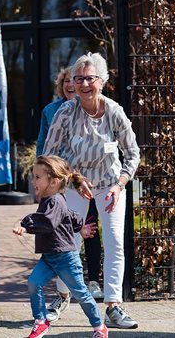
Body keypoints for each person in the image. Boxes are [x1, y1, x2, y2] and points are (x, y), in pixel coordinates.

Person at [43, 52, 140, 329]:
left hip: (110, 184)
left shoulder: (114, 111)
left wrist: (120, 185)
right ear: (72, 82)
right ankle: (62, 297)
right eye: (79, 79)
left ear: (102, 81)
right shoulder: (65, 112)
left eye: (90, 79)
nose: (84, 85)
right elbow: (51, 155)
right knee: (69, 242)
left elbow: (132, 153)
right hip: (76, 184)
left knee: (114, 242)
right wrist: (74, 178)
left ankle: (114, 306)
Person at [13, 155, 107, 338]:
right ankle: (41, 322)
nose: (33, 181)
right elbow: (69, 216)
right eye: (34, 176)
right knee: (34, 283)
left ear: (54, 181)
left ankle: (99, 327)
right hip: (49, 257)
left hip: (65, 258)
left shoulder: (55, 200)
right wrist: (80, 227)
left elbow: (48, 222)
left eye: (38, 177)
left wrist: (25, 225)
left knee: (81, 294)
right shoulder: (52, 199)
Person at [36, 68, 104, 302]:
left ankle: (93, 280)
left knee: (90, 228)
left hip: (91, 179)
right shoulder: (51, 110)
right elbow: (44, 146)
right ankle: (63, 291)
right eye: (66, 81)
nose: (70, 86)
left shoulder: (93, 108)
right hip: (63, 180)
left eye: (72, 81)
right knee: (62, 231)